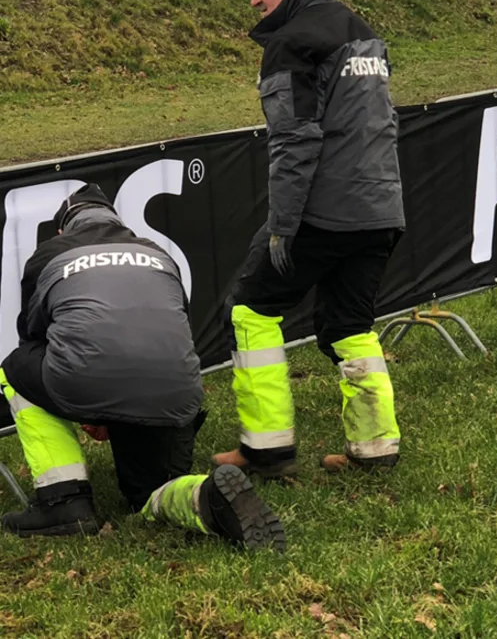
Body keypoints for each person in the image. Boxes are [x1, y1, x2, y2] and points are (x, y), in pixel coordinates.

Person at [0, 183, 284, 549]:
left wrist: (89, 403)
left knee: (15, 368)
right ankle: (205, 497)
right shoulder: (155, 251)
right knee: (150, 493)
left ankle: (63, 499)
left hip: (85, 379)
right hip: (174, 391)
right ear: (118, 221)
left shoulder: (50, 252)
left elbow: (35, 337)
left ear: (62, 228)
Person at [213, 0, 404, 478]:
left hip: (324, 210)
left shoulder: (293, 41)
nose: (254, 0)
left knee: (250, 310)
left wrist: (283, 225)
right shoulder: (361, 28)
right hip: (381, 204)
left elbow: (294, 139)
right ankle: (375, 450)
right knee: (350, 324)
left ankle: (265, 450)